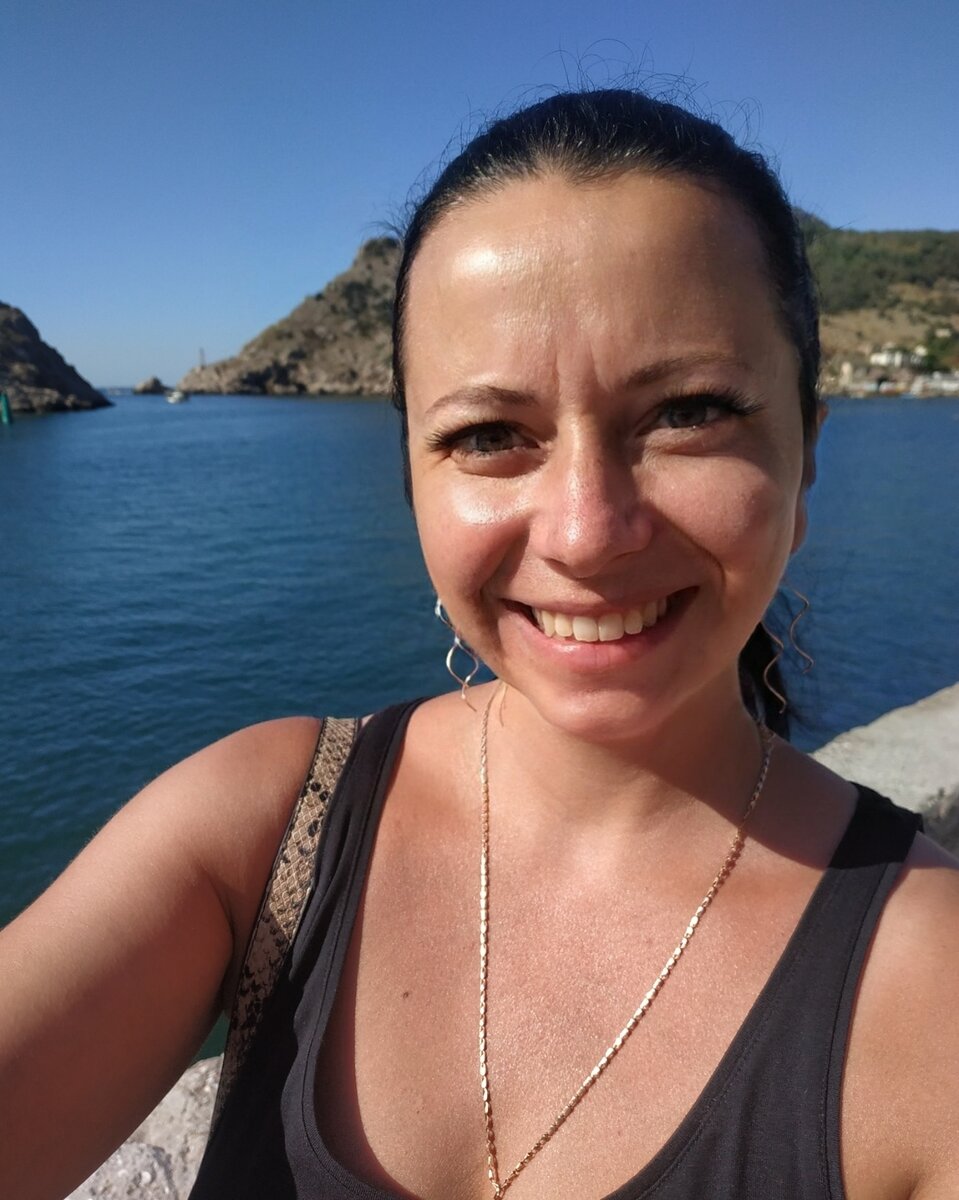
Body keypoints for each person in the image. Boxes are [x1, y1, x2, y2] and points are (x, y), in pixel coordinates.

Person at [2, 88, 958, 1200]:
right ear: (409, 479)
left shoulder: (926, 989)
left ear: (804, 455)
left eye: (688, 412)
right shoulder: (258, 834)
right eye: (490, 434)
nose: (585, 533)